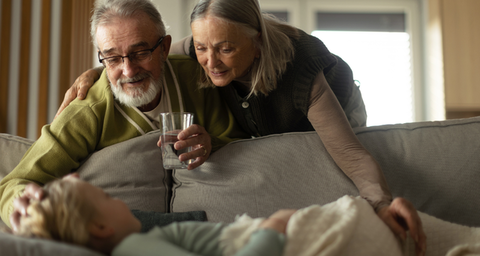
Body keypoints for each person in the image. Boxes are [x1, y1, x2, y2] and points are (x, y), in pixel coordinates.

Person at [59, 0, 426, 254]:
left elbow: (352, 154)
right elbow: (145, 56)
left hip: (339, 103)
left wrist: (381, 203)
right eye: (202, 48)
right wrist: (97, 72)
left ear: (256, 41)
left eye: (225, 49)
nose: (210, 61)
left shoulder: (304, 71)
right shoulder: (201, 47)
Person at [0, 0, 248, 232]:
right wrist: (24, 206)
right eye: (113, 57)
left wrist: (210, 144)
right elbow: (14, 183)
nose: (128, 70)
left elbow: (238, 142)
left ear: (164, 48)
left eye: (140, 53)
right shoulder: (89, 109)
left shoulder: (196, 77)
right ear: (102, 57)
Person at [15, 175, 480, 256]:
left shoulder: (130, 238)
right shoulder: (135, 245)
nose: (124, 202)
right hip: (306, 238)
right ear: (99, 226)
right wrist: (275, 226)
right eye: (107, 197)